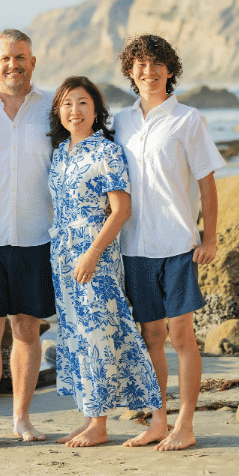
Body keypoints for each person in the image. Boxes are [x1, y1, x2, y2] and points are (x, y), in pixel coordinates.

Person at [113, 34, 225, 451]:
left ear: (171, 70)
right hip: (135, 248)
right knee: (151, 337)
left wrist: (209, 237)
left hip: (178, 244)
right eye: (140, 65)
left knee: (181, 336)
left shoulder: (188, 119)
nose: (149, 71)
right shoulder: (121, 123)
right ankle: (158, 421)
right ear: (130, 72)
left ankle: (187, 425)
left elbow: (207, 184)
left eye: (157, 64)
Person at [47, 77, 161, 447]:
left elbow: (121, 210)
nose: (74, 111)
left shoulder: (106, 152)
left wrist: (93, 254)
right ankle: (90, 417)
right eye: (66, 103)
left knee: (102, 332)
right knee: (77, 334)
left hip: (95, 253)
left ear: (96, 110)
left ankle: (102, 424)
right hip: (62, 255)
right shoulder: (60, 152)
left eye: (82, 103)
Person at [0, 30, 55, 448]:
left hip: (38, 237)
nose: (13, 64)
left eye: (20, 57)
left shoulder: (55, 107)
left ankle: (21, 418)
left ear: (33, 61)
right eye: (5, 58)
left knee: (27, 332)